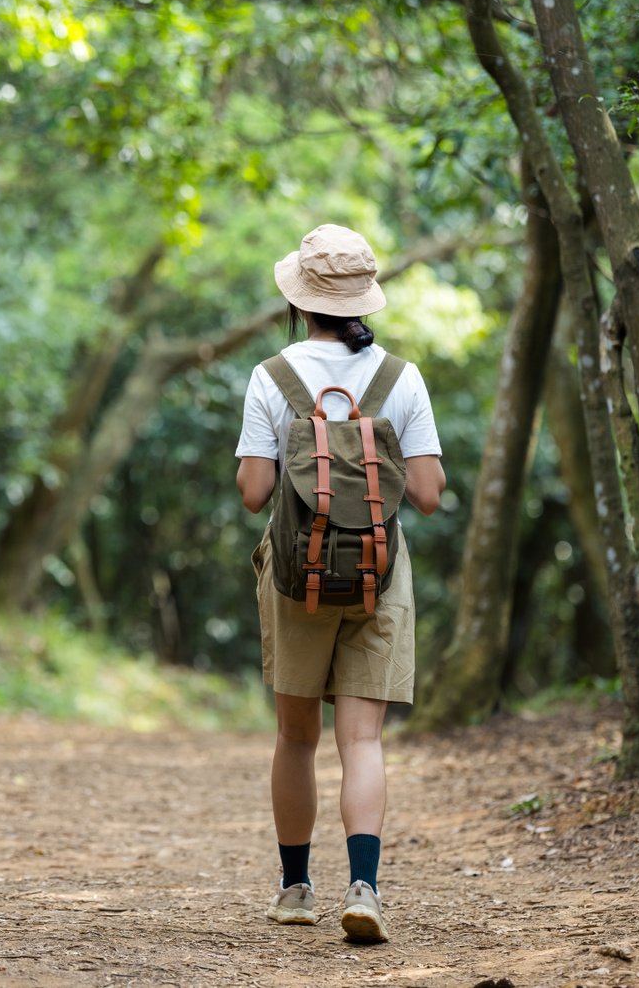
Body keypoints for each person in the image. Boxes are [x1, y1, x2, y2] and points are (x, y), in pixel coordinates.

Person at [234, 223, 446, 944]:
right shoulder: (401, 378)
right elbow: (427, 493)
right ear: (363, 299)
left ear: (300, 298)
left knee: (298, 737)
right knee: (363, 740)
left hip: (298, 574)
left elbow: (254, 492)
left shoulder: (273, 376)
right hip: (379, 574)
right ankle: (365, 886)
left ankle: (296, 888)